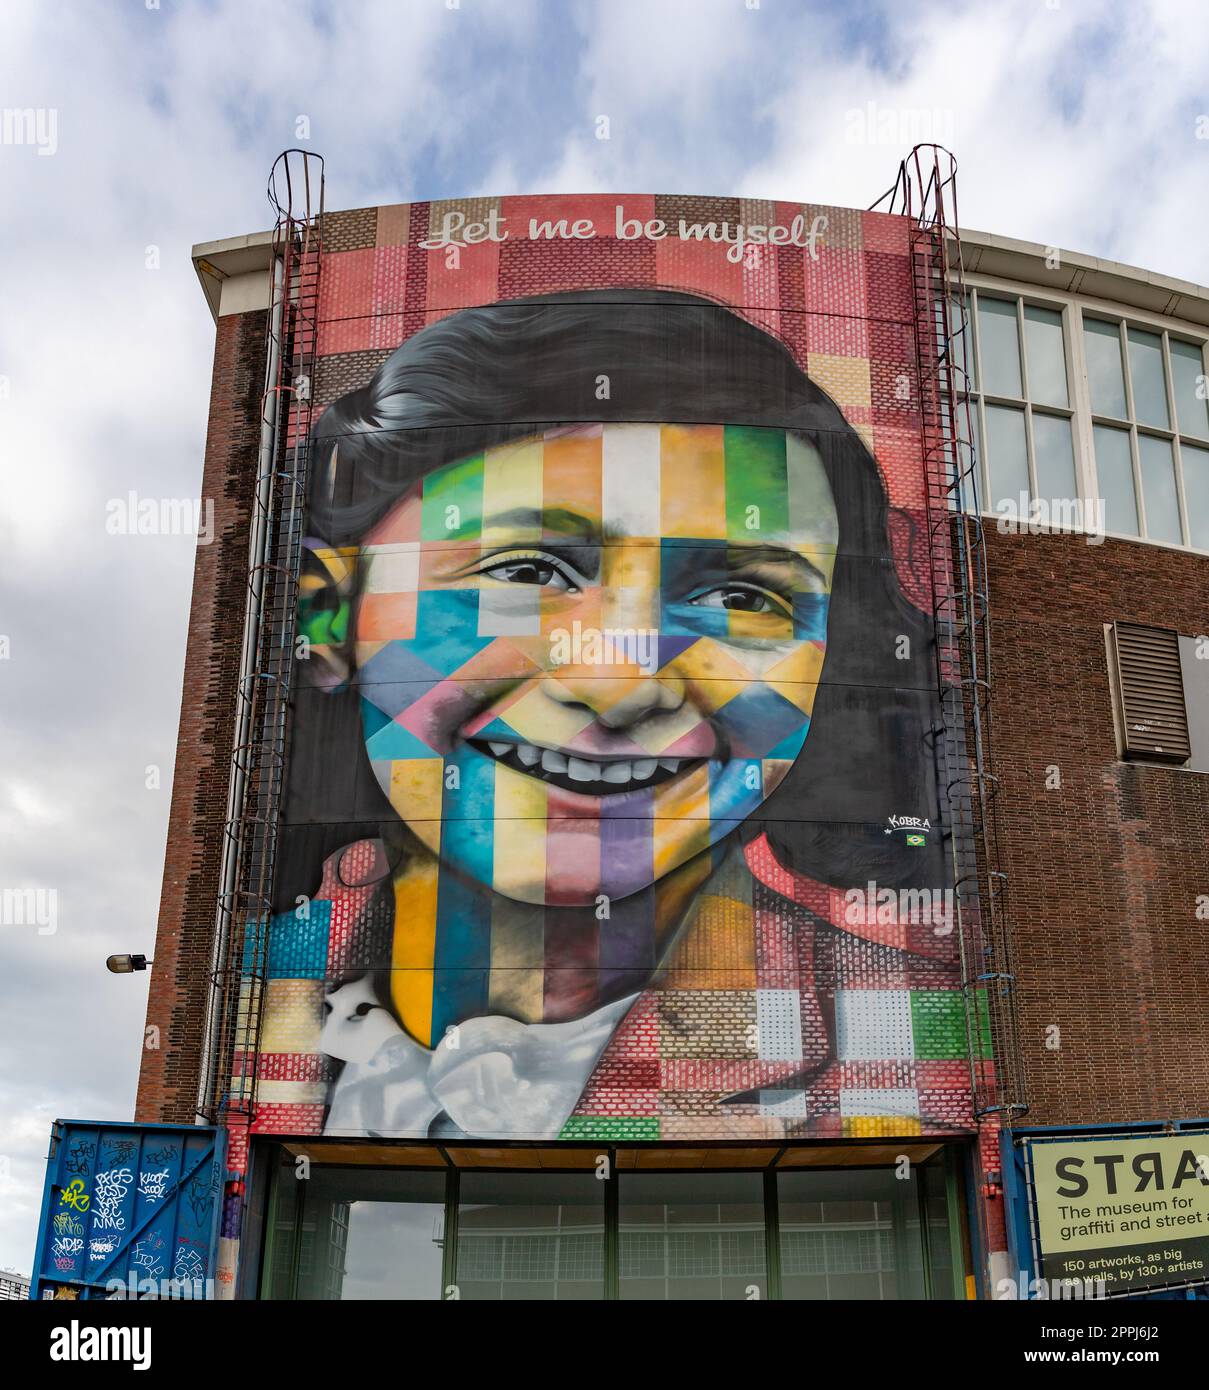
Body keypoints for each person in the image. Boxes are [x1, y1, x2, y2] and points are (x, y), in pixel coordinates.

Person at [262, 289, 964, 1141]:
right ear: (331, 615)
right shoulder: (251, 986)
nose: (622, 683)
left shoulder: (914, 1044)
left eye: (743, 596)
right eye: (526, 572)